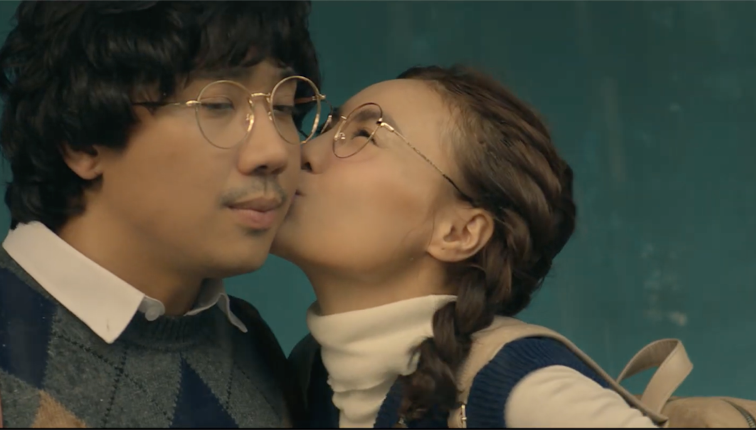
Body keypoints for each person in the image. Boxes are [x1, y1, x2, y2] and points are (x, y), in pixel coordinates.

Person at [0, 0, 324, 427]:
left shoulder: (251, 344)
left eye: (283, 107)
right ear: (82, 139)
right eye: (218, 104)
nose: (274, 151)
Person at [274, 65, 658, 428]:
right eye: (327, 127)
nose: (303, 153)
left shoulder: (519, 386)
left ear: (459, 232)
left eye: (364, 136)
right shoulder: (307, 377)